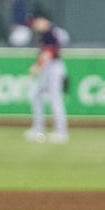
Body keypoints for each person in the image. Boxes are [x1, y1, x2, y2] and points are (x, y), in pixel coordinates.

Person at [25, 15, 68, 144]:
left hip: (54, 68)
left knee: (55, 99)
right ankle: (39, 128)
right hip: (48, 68)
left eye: (37, 22)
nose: (35, 25)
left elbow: (49, 52)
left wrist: (37, 66)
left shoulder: (50, 32)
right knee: (34, 95)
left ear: (44, 21)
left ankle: (61, 133)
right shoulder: (46, 33)